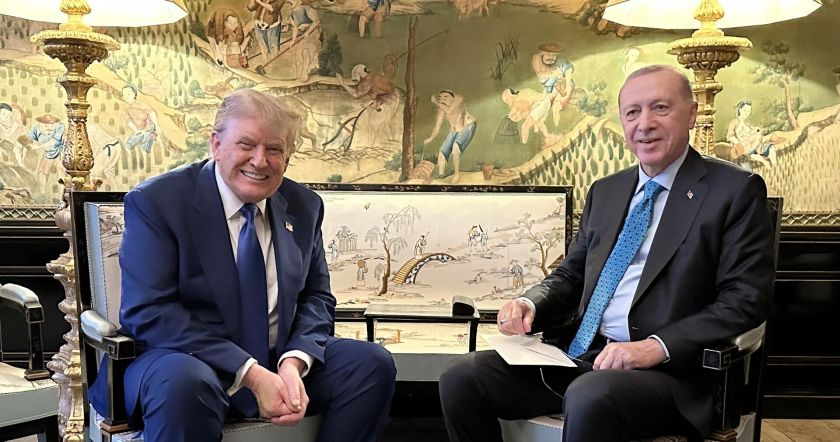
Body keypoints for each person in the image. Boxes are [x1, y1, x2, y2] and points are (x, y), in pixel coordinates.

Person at [439, 65, 775, 442]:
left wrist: (655, 347)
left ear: (692, 114)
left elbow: (745, 300)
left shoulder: (734, 191)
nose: (644, 124)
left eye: (660, 108)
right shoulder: (606, 191)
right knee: (462, 376)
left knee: (590, 395)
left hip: (668, 374)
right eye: (632, 112)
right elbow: (571, 275)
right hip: (582, 357)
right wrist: (529, 303)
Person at [88, 89, 396, 442]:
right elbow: (149, 312)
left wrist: (294, 362)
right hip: (183, 360)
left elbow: (316, 298)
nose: (260, 161)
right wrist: (250, 372)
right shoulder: (159, 201)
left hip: (277, 357)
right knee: (184, 382)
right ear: (216, 145)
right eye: (246, 144)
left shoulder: (304, 206)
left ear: (288, 157)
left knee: (370, 364)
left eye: (274, 149)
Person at [424, 90, 477, 183]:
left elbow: (449, 110)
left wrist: (435, 102)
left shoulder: (458, 99)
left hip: (467, 126)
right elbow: (437, 126)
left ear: (452, 98)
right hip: (455, 130)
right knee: (442, 153)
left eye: (445, 97)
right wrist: (430, 138)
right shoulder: (441, 110)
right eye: (440, 98)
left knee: (455, 149)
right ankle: (441, 175)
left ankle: (456, 174)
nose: (442, 100)